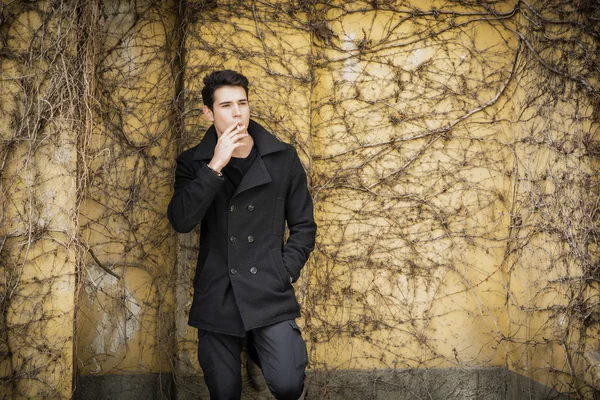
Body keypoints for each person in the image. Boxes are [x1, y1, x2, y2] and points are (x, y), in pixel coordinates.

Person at [167, 70, 317, 400]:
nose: (237, 113)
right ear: (208, 112)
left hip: (268, 287)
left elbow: (304, 226)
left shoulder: (282, 158)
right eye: (226, 105)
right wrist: (214, 166)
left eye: (242, 103)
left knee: (289, 385)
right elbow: (180, 220)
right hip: (218, 291)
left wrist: (285, 270)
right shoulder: (194, 163)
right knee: (224, 392)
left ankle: (257, 351)